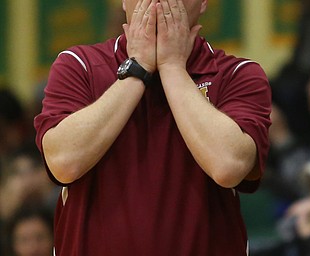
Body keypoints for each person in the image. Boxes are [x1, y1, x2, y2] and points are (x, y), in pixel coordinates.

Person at [34, 0, 271, 254]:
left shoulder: (238, 73)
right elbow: (64, 163)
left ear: (203, 3)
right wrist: (139, 66)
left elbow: (228, 166)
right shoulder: (78, 65)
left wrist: (172, 67)